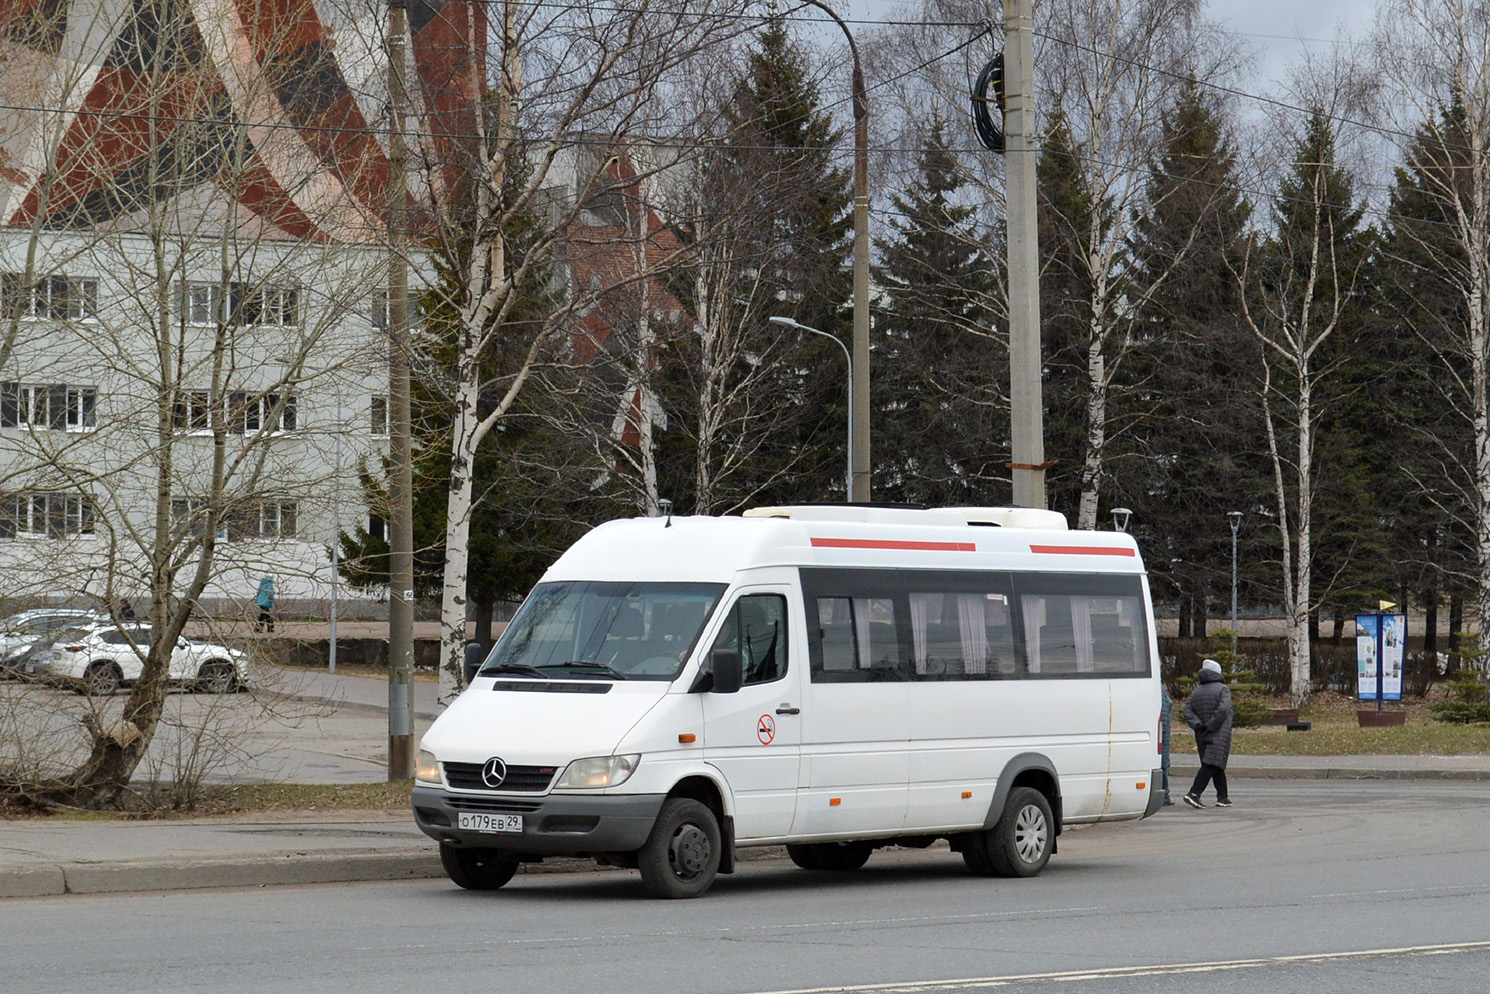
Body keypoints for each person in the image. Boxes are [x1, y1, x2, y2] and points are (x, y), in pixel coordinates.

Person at [1182, 658, 1233, 808]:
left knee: (1215, 764)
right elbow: (1224, 709)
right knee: (1211, 764)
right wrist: (1210, 726)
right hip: (1218, 732)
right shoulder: (1223, 689)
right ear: (1217, 673)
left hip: (1201, 733)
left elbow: (1187, 710)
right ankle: (1194, 793)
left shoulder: (1196, 691)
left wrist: (1198, 725)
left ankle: (1222, 797)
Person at [1160, 684, 1175, 805]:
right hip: (1161, 735)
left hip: (1160, 734)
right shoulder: (1161, 693)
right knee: (1162, 764)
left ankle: (1164, 793)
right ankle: (1164, 793)